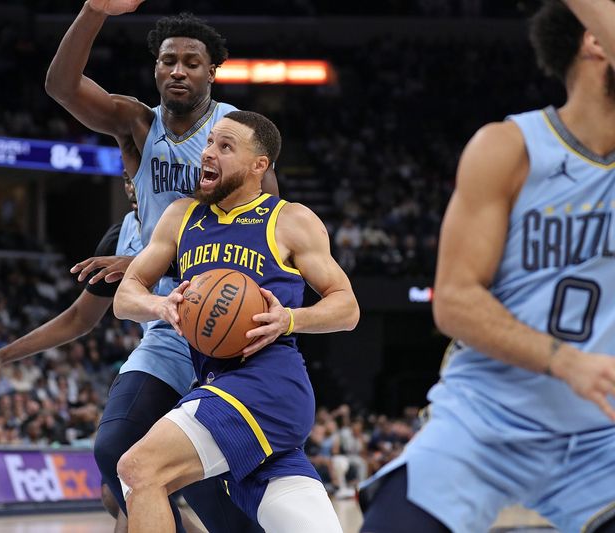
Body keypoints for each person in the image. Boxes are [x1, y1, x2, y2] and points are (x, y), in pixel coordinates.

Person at [359, 2, 615, 532]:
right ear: (594, 41)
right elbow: (453, 302)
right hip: (486, 418)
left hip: (602, 440)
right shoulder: (510, 147)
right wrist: (564, 361)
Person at [44, 1, 277, 530]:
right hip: (170, 320)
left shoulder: (239, 135)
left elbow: (267, 230)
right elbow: (61, 87)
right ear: (155, 68)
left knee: (216, 467)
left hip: (231, 314)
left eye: (191, 62)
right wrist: (93, 11)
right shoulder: (136, 123)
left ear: (212, 72)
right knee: (114, 448)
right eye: (168, 60)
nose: (178, 70)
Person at [112, 110, 359, 532]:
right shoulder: (181, 216)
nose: (208, 154)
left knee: (139, 468)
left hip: (266, 385)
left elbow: (347, 308)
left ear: (258, 166)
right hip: (224, 388)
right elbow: (125, 295)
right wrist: (159, 305)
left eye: (225, 147)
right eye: (209, 144)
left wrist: (289, 319)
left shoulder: (289, 219)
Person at [0, 173, 203, 533]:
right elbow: (79, 318)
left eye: (142, 173)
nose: (133, 184)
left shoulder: (198, 219)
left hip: (209, 354)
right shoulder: (121, 232)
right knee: (120, 492)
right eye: (128, 177)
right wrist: (1, 356)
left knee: (173, 492)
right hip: (161, 354)